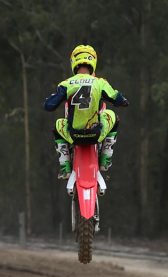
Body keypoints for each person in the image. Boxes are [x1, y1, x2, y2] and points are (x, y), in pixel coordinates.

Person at [43, 44, 129, 179]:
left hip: (73, 136)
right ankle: (106, 158)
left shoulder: (66, 83)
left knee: (58, 124)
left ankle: (65, 166)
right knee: (112, 116)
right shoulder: (100, 83)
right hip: (96, 134)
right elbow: (118, 99)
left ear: (74, 62)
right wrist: (123, 100)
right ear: (93, 62)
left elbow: (49, 106)